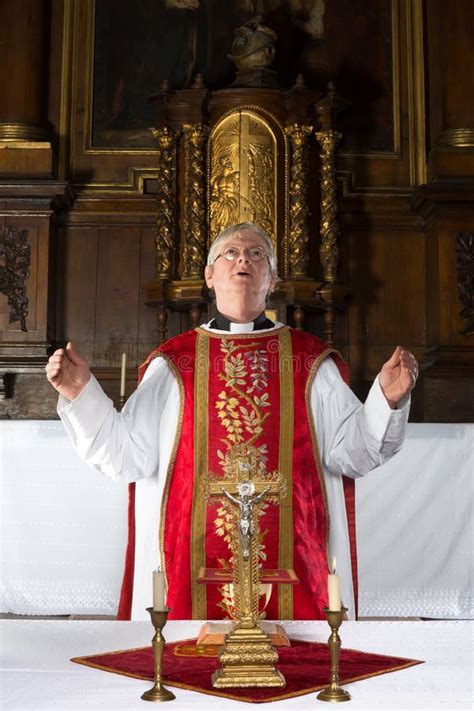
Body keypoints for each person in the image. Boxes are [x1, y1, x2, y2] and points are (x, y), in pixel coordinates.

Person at [46, 222, 418, 622]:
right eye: (231, 253)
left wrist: (387, 400)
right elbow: (128, 457)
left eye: (257, 254)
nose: (243, 259)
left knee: (299, 672)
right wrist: (80, 392)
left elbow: (353, 454)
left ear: (272, 279)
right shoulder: (175, 362)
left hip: (296, 562)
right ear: (209, 275)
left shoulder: (308, 361)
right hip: (188, 561)